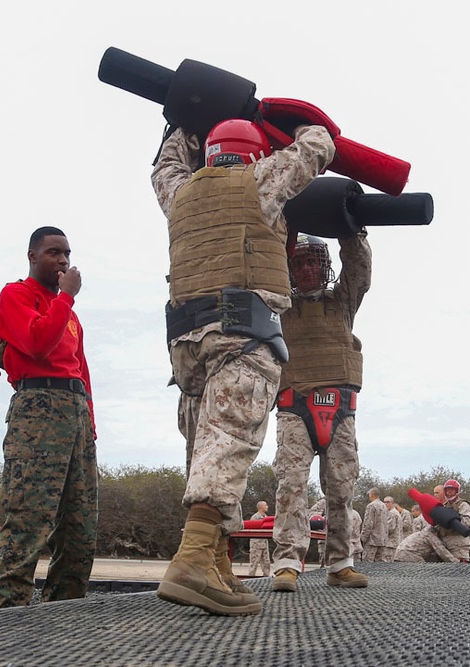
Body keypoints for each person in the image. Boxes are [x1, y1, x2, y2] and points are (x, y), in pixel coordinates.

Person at [151, 119, 335, 616]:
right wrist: (297, 123)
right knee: (230, 445)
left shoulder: (179, 191)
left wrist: (182, 125)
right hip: (243, 333)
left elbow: (165, 164)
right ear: (254, 154)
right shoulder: (260, 178)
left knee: (203, 448)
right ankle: (191, 561)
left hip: (188, 343)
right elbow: (318, 146)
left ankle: (216, 567)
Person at [0, 226, 98, 609]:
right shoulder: (15, 295)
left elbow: (81, 371)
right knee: (29, 519)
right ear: (33, 256)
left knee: (80, 526)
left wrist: (91, 427)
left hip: (75, 412)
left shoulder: (70, 316)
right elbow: (36, 342)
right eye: (53, 253)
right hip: (37, 408)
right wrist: (66, 296)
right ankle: (5, 614)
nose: (63, 261)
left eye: (66, 254)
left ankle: (63, 611)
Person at [270, 230, 371, 592]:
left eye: (313, 260)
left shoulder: (342, 302)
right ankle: (286, 562)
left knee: (342, 488)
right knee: (291, 485)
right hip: (294, 405)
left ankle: (341, 562)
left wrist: (353, 232)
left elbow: (359, 269)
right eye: (299, 262)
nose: (307, 268)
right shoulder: (278, 306)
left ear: (325, 265)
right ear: (288, 269)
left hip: (340, 406)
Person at [437, 479, 470, 562]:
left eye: (452, 491)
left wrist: (453, 521)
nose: (449, 493)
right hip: (445, 544)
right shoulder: (444, 506)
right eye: (447, 491)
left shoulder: (463, 504)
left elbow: (467, 521)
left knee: (461, 570)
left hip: (459, 544)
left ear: (457, 491)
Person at [360, 488, 387, 562]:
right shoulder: (384, 506)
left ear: (371, 495)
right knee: (380, 565)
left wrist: (363, 538)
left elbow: (368, 523)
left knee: (367, 563)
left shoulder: (371, 506)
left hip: (372, 540)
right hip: (382, 539)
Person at [248, 501, 271, 577]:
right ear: (261, 507)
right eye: (265, 505)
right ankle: (250, 578)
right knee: (254, 563)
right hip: (256, 544)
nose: (267, 507)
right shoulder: (255, 517)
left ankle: (266, 577)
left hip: (264, 543)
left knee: (266, 563)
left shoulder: (266, 517)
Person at [381, 496, 402, 562]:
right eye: (384, 502)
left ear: (392, 503)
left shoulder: (392, 513)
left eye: (388, 502)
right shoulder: (393, 512)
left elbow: (390, 528)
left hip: (391, 543)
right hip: (393, 542)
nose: (386, 504)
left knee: (388, 563)